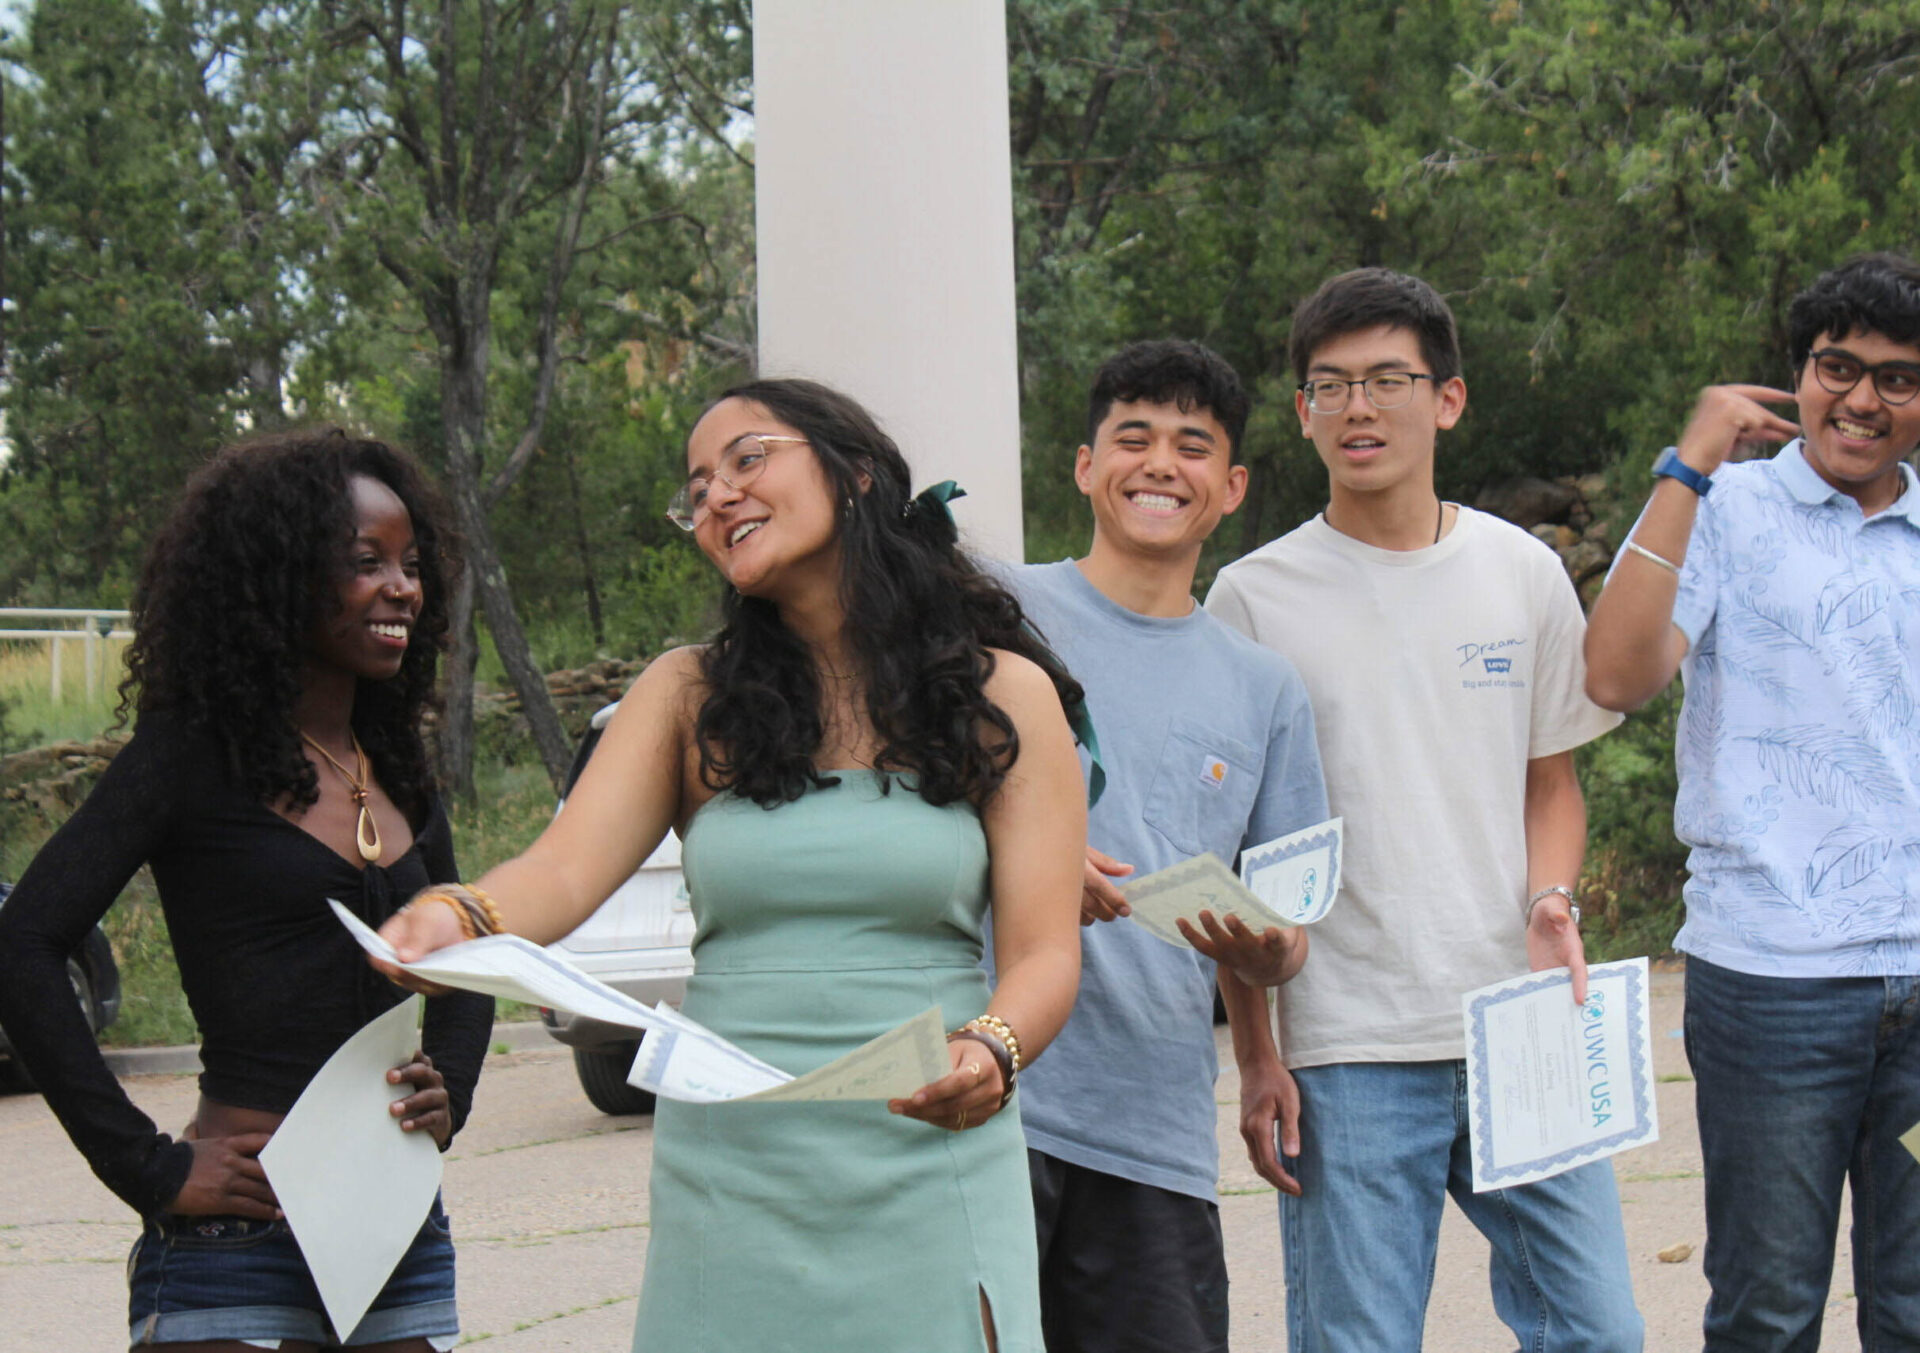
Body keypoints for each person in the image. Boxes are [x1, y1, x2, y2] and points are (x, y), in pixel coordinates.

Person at [378, 378, 1087, 1352]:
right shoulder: (683, 694)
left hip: (934, 1154)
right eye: (697, 486)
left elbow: (1047, 956)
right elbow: (565, 870)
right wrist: (459, 915)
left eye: (747, 459)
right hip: (736, 1175)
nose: (715, 496)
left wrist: (993, 1048)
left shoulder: (1005, 694)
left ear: (856, 474)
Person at [1205, 267, 1644, 1351]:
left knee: (1601, 1333)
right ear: (1304, 412)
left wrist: (1552, 895)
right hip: (1349, 1046)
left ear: (1447, 398)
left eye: (1388, 381)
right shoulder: (1254, 597)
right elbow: (1235, 857)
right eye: (1330, 385)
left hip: (1520, 1024)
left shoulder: (1521, 569)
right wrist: (1259, 1052)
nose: (1360, 409)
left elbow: (1552, 780)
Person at [0, 429, 494, 1351]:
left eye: (412, 563)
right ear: (279, 579)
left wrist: (453, 1087)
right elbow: (23, 940)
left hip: (396, 1229)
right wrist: (144, 1163)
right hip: (239, 1229)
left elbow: (461, 939)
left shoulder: (397, 766)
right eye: (366, 562)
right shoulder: (189, 758)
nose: (403, 588)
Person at [1583, 252, 1920, 1351]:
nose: (1862, 398)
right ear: (1799, 373)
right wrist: (1687, 464)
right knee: (1770, 1311)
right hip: (1775, 989)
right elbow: (1616, 677)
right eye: (1838, 366)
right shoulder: (1724, 507)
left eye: (1898, 377)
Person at [995, 339, 1326, 1353]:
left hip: (1152, 1128)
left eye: (1191, 447)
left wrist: (1263, 1038)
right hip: (986, 1097)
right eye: (1131, 438)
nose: (1158, 465)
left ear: (1229, 488)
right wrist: (1030, 853)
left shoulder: (1263, 689)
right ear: (1085, 465)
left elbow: (1278, 912)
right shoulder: (993, 610)